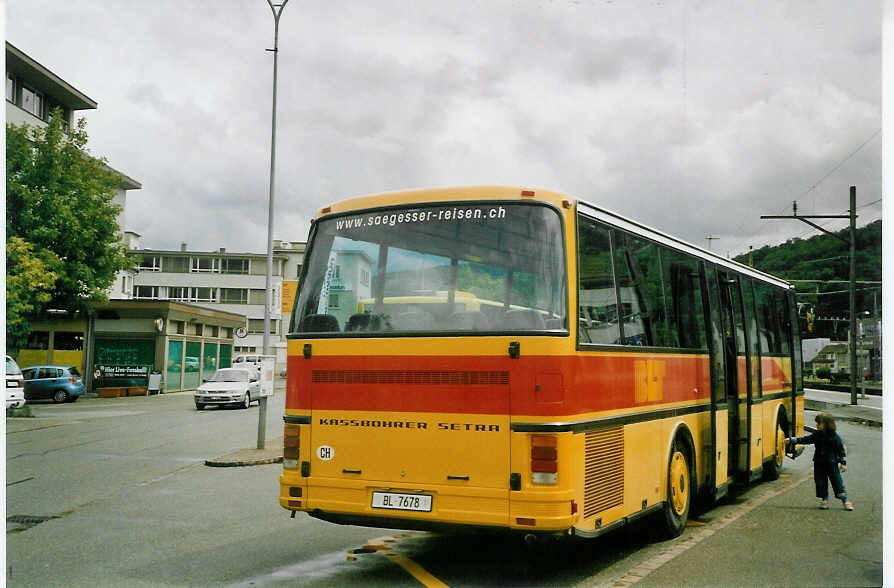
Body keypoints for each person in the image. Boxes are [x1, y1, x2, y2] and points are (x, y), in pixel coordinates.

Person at [787, 413, 853, 511]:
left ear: (827, 424)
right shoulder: (817, 434)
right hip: (819, 463)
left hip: (832, 463)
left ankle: (845, 500)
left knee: (837, 481)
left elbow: (841, 450)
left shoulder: (834, 437)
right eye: (817, 423)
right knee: (820, 482)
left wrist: (843, 463)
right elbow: (807, 439)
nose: (817, 425)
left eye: (819, 423)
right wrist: (793, 440)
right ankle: (824, 499)